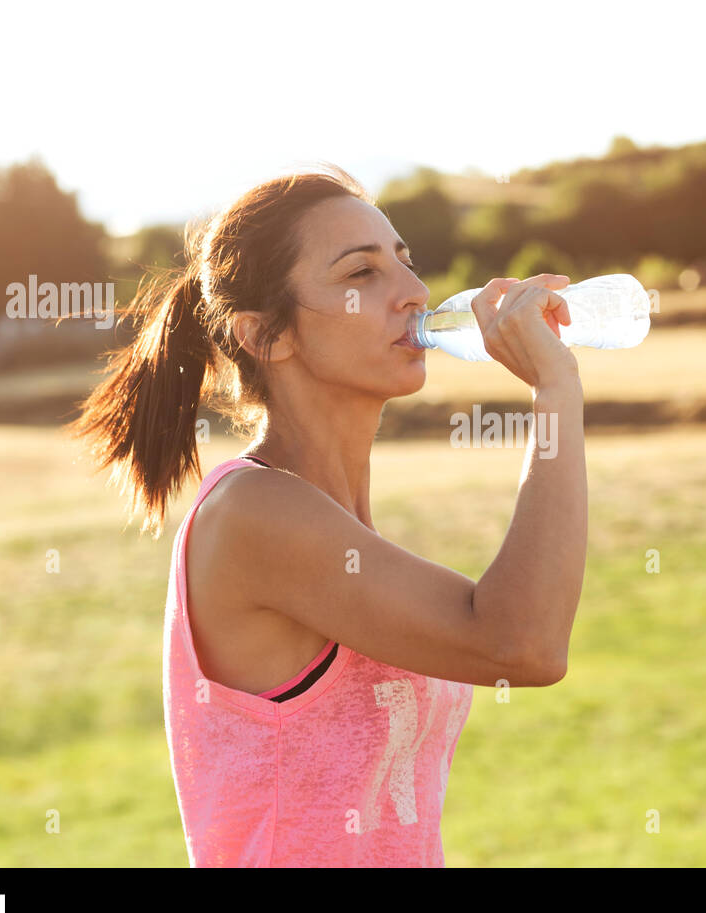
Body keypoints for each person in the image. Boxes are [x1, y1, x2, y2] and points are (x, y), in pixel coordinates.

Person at [67, 162, 587, 866]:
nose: (414, 293)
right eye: (360, 275)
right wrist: (555, 391)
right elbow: (521, 643)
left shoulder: (339, 526)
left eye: (404, 262)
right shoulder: (253, 512)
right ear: (266, 336)